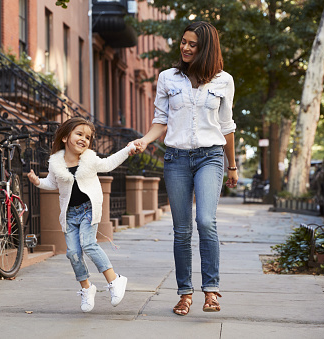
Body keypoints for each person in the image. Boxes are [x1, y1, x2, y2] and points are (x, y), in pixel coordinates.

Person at [131, 21, 238, 316]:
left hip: (210, 157)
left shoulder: (223, 81)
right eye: (184, 42)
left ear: (206, 49)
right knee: (181, 230)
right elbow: (160, 120)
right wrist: (144, 140)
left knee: (205, 220)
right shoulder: (168, 78)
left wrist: (232, 165)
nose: (186, 48)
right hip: (176, 159)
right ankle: (184, 293)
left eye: (193, 44)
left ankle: (212, 291)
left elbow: (227, 127)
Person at [27, 117, 136, 312]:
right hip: (69, 214)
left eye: (88, 137)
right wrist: (38, 182)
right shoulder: (55, 163)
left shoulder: (90, 159)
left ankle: (115, 279)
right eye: (79, 134)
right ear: (65, 137)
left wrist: (128, 149)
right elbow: (53, 183)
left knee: (88, 244)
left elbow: (109, 163)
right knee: (73, 253)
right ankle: (87, 288)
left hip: (88, 209)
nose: (84, 139)